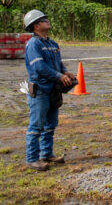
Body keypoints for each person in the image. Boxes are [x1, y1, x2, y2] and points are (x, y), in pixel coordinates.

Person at [23, 9, 76, 171]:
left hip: (52, 90)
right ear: (36, 26)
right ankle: (32, 159)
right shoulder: (33, 44)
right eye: (43, 19)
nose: (47, 21)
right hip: (40, 91)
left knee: (50, 124)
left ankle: (46, 154)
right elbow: (39, 67)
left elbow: (58, 62)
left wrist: (64, 71)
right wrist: (59, 76)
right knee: (36, 125)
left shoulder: (52, 44)